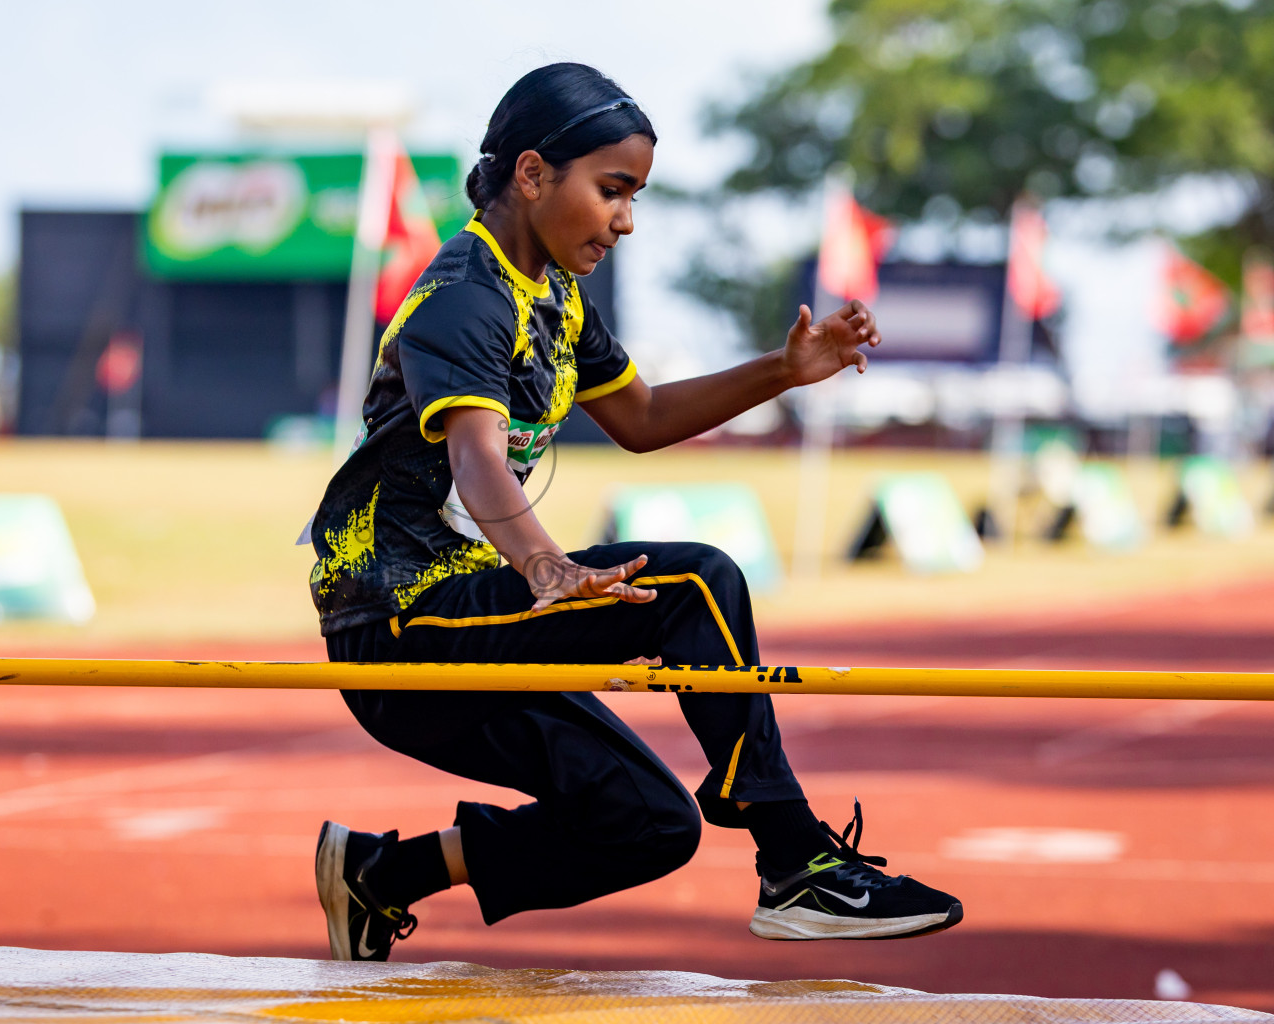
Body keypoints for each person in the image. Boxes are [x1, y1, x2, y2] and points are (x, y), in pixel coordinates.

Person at [304, 62, 960, 962]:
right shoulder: (464, 299)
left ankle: (381, 875)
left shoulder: (559, 301)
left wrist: (783, 369)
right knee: (698, 582)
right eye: (612, 191)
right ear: (532, 174)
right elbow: (474, 453)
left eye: (635, 195)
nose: (626, 220)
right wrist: (544, 565)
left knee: (649, 822)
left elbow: (642, 419)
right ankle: (794, 858)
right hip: (401, 628)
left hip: (481, 619)